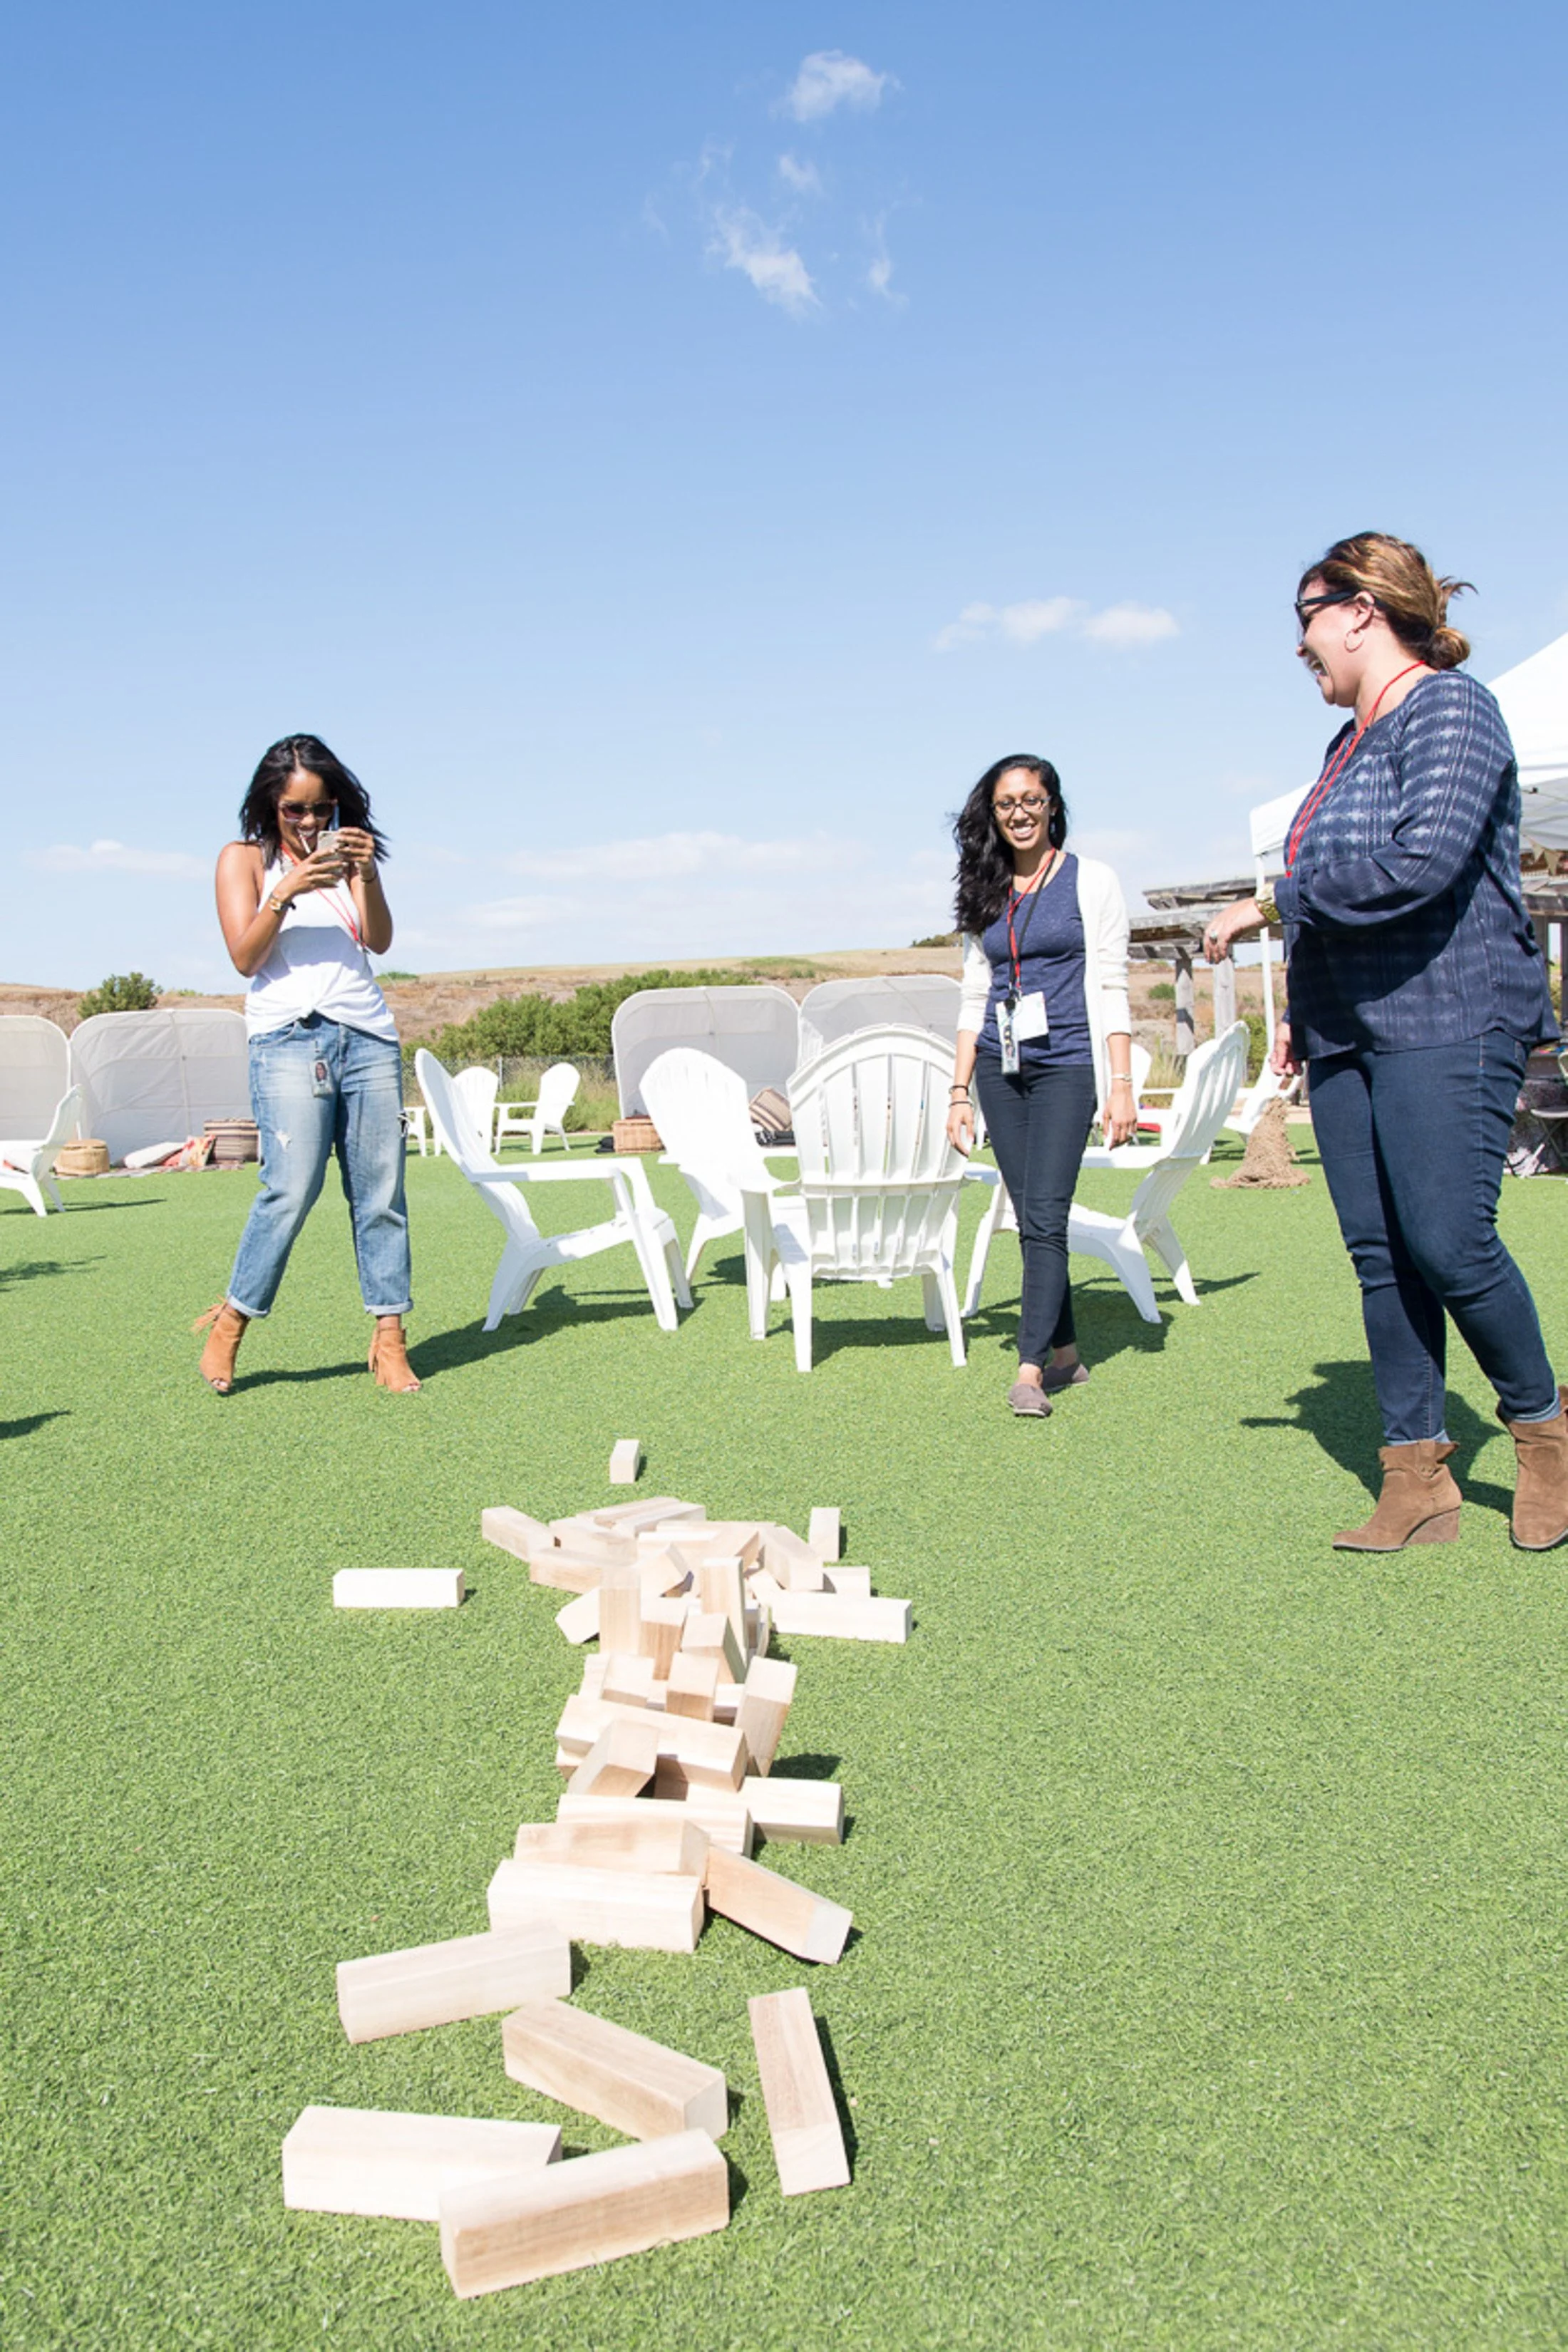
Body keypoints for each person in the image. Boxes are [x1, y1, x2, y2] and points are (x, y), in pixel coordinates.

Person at [1204, 532, 1564, 1549]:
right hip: (1351, 1027)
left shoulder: (1454, 708)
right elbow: (1340, 906)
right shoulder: (1343, 748)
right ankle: (1417, 1478)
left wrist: (1273, 898)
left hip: (1452, 1012)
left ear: (1363, 610)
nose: (1301, 645)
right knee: (1383, 1258)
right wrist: (1301, 1025)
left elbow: (1423, 863)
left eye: (1306, 617)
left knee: (1450, 1242)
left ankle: (1546, 1435)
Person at [193, 733, 421, 1395]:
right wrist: (285, 889)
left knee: (381, 1196)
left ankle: (389, 1339)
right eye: (295, 810)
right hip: (288, 1040)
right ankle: (231, 1322)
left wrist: (366, 873)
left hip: (368, 1038)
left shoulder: (350, 857)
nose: (311, 822)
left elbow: (377, 940)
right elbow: (246, 957)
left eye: (322, 808)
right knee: (289, 1190)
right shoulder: (243, 859)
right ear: (270, 804)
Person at [948, 755, 1137, 1416]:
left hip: (1070, 1066)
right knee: (1031, 1216)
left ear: (1053, 804)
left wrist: (1121, 1085)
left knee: (1047, 1215)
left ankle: (1028, 1371)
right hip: (1003, 1073)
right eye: (1006, 804)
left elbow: (1112, 985)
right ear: (992, 814)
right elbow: (975, 996)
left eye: (1032, 799)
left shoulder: (1092, 881)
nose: (1020, 813)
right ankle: (1066, 1356)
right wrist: (958, 1093)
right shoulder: (986, 890)